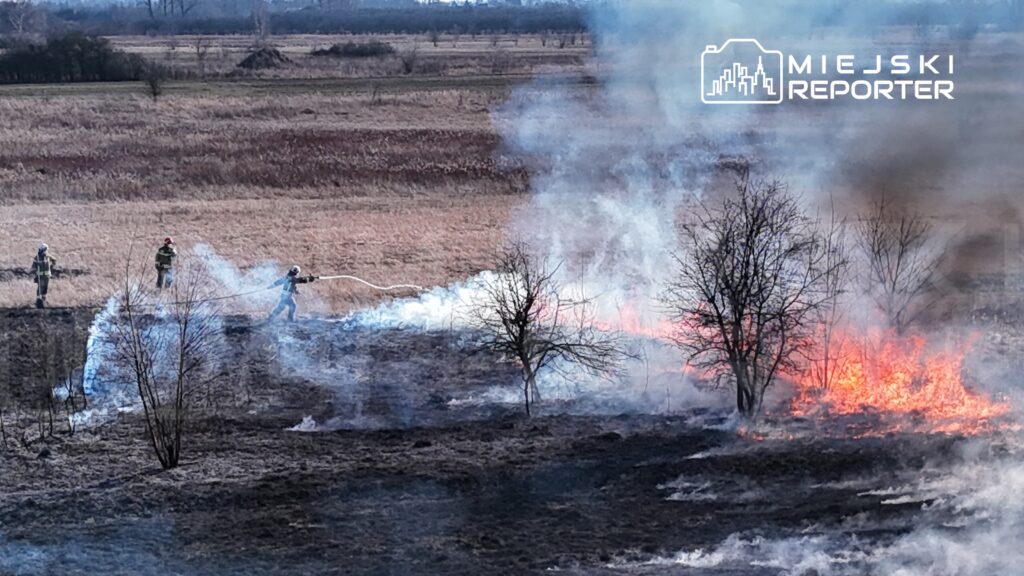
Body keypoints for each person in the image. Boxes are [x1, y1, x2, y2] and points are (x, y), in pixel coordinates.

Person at [30, 243, 57, 309]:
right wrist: (33, 273)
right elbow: (33, 266)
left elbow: (54, 260)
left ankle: (43, 301)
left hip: (47, 276)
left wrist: (51, 266)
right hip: (40, 276)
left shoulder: (48, 256)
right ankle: (38, 301)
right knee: (40, 288)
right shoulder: (37, 257)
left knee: (45, 289)